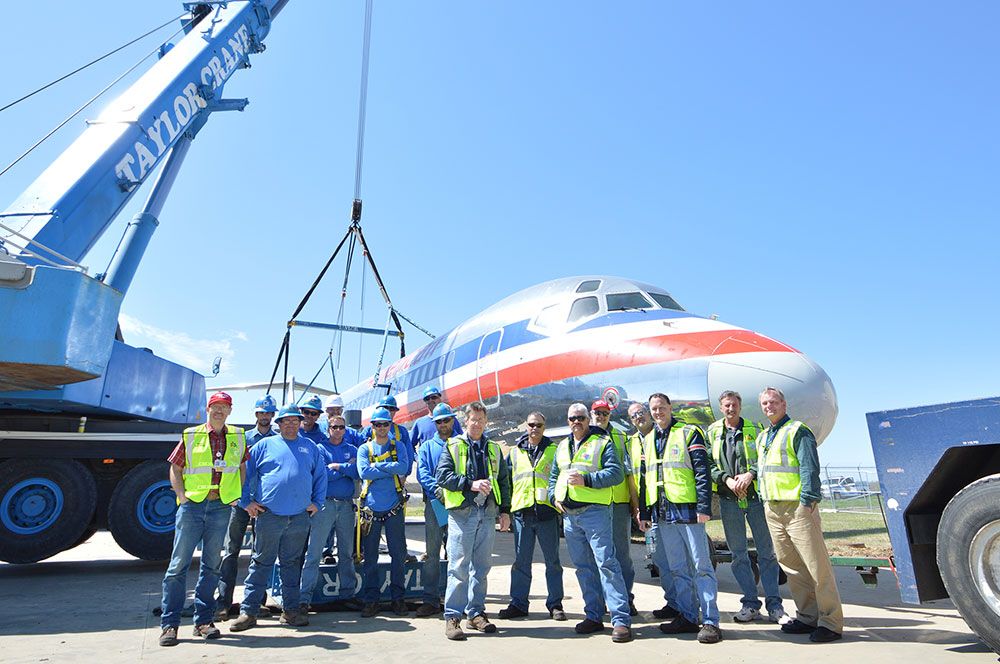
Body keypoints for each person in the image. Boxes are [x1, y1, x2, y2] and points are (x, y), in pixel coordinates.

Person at [159, 391, 247, 647]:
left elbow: (242, 466)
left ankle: (203, 621)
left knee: (211, 566)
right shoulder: (192, 434)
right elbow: (176, 467)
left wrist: (235, 495)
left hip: (220, 507)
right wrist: (182, 496)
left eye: (224, 407)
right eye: (215, 407)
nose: (219, 411)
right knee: (178, 566)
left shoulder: (237, 437)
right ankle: (170, 624)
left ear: (230, 411)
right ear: (207, 409)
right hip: (193, 507)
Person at [756, 386, 843, 643]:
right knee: (792, 567)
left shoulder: (797, 430)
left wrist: (807, 502)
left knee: (817, 567)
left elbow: (809, 467)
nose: (769, 407)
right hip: (772, 508)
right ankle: (807, 616)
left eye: (773, 402)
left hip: (797, 508)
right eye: (765, 403)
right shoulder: (763, 437)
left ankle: (831, 622)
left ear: (784, 404)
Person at [230, 404, 327, 632]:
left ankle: (291, 612)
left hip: (300, 517)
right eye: (287, 421)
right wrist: (246, 502)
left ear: (300, 423)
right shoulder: (263, 446)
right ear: (279, 424)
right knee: (261, 563)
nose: (291, 424)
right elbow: (244, 475)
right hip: (270, 516)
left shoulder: (310, 447)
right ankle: (249, 612)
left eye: (295, 420)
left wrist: (317, 502)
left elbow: (320, 476)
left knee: (292, 565)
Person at [638, 393, 721, 644]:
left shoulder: (688, 432)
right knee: (677, 568)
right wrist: (644, 511)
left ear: (670, 408)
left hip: (688, 510)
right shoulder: (648, 439)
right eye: (653, 409)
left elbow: (702, 471)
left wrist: (703, 506)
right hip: (663, 513)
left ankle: (711, 621)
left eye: (662, 407)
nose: (658, 412)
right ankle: (687, 615)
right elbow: (645, 478)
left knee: (701, 566)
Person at [548, 403, 632, 644]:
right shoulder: (562, 446)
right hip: (570, 517)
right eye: (573, 418)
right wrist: (555, 497)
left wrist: (587, 480)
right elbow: (555, 475)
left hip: (595, 513)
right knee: (584, 567)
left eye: (581, 418)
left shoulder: (602, 442)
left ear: (588, 420)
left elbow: (616, 474)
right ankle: (594, 616)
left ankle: (620, 621)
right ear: (568, 421)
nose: (577, 421)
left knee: (607, 564)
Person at [705, 390, 786, 624]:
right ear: (722, 408)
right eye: (727, 405)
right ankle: (750, 603)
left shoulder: (755, 428)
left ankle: (775, 605)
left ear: (740, 407)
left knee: (767, 553)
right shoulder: (712, 432)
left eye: (735, 405)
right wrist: (726, 479)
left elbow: (764, 458)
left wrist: (750, 474)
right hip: (730, 500)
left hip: (754, 499)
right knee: (738, 555)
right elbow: (708, 462)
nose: (731, 409)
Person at [436, 401, 512, 641]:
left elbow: (503, 480)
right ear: (465, 421)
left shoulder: (493, 448)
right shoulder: (453, 445)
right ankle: (452, 617)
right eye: (473, 420)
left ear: (485, 422)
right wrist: (470, 484)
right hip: (463, 513)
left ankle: (476, 613)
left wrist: (505, 511)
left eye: (481, 420)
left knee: (482, 567)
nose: (477, 424)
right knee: (458, 567)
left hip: (487, 513)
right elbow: (443, 476)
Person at [499, 411, 565, 621]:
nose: (534, 428)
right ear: (525, 426)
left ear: (544, 427)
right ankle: (518, 604)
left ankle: (555, 604)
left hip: (547, 514)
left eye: (539, 425)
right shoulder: (515, 452)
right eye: (531, 424)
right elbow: (506, 481)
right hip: (522, 515)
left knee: (552, 562)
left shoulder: (555, 450)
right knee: (521, 562)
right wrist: (506, 509)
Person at [215, 395, 276, 622]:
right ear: (256, 414)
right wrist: (241, 500)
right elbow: (232, 469)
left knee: (260, 554)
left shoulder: (277, 440)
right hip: (240, 502)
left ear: (272, 415)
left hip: (263, 505)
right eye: (261, 413)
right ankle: (223, 602)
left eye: (268, 413)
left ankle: (256, 601)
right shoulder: (242, 438)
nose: (265, 417)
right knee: (231, 552)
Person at [299, 415, 361, 612]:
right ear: (328, 429)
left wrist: (338, 467)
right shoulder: (319, 449)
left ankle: (347, 594)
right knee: (314, 552)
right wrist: (345, 469)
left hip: (345, 505)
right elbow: (322, 475)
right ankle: (304, 598)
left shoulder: (353, 450)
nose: (338, 430)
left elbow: (358, 472)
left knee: (346, 553)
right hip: (324, 505)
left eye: (342, 427)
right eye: (334, 427)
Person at [357, 407, 413, 618]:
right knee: (370, 557)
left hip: (394, 508)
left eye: (385, 424)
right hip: (371, 509)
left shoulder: (398, 446)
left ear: (390, 425)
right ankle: (371, 600)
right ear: (372, 427)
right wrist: (390, 467)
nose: (381, 428)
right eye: (378, 424)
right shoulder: (364, 449)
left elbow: (404, 468)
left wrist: (379, 467)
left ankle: (398, 598)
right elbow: (364, 472)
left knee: (398, 555)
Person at [627, 402, 678, 620]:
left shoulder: (664, 436)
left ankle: (684, 603)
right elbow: (633, 479)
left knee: (677, 559)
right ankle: (673, 602)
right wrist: (638, 508)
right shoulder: (631, 443)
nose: (638, 417)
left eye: (641, 412)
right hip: (648, 512)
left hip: (669, 507)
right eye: (633, 416)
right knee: (658, 557)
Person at [590, 399, 638, 616]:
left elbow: (629, 474)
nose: (601, 416)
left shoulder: (620, 437)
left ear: (610, 415)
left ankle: (626, 598)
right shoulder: (585, 437)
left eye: (604, 413)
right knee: (598, 556)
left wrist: (634, 505)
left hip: (618, 504)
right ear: (592, 414)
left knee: (622, 555)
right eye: (597, 413)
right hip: (594, 504)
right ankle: (601, 600)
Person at [414, 402, 458, 617]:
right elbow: (422, 473)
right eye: (439, 421)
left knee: (457, 554)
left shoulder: (461, 444)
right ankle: (431, 600)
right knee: (432, 555)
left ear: (453, 420)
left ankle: (455, 600)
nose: (443, 424)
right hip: (435, 505)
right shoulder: (426, 447)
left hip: (458, 505)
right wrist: (438, 492)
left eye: (446, 420)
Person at [409, 386, 463, 451]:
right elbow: (409, 445)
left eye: (434, 397)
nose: (430, 400)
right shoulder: (419, 423)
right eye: (427, 399)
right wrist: (418, 459)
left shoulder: (450, 419)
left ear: (440, 398)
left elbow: (462, 439)